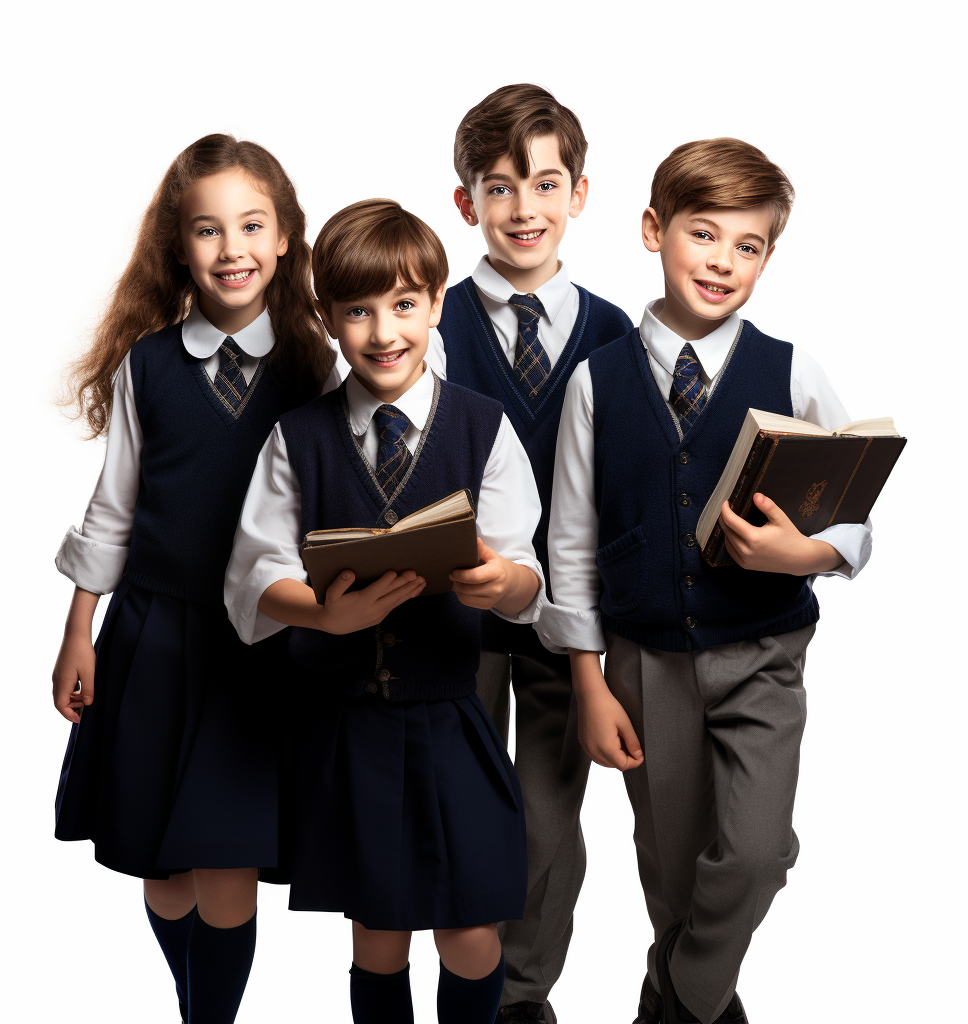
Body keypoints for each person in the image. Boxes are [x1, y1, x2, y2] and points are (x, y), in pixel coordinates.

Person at [542, 138, 873, 1024]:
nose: (723, 261)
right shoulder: (596, 382)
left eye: (749, 246)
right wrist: (588, 681)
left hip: (764, 649)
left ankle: (678, 1000)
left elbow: (854, 514)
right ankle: (697, 1001)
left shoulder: (792, 370)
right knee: (674, 865)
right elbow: (570, 541)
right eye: (703, 233)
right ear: (655, 230)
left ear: (769, 256)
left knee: (757, 853)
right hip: (644, 661)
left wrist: (803, 554)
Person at [224, 199, 545, 1024]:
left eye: (404, 305)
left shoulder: (484, 428)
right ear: (327, 318)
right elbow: (254, 574)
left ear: (438, 304)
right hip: (348, 724)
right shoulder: (297, 437)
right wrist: (325, 616)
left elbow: (525, 578)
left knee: (473, 927)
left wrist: (495, 581)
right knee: (379, 930)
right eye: (358, 310)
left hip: (450, 715)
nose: (383, 331)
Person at [51, 134, 337, 1024]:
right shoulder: (148, 367)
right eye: (208, 231)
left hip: (259, 645)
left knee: (226, 863)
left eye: (253, 225)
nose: (233, 248)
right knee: (165, 874)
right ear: (179, 246)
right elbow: (114, 508)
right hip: (157, 637)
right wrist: (78, 630)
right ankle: (193, 1002)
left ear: (286, 236)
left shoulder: (317, 365)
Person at [435, 83, 634, 1024]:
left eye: (546, 184)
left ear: (580, 195)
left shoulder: (617, 338)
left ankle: (523, 994)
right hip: (453, 616)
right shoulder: (424, 326)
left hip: (569, 628)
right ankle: (466, 978)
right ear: (468, 201)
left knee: (549, 823)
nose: (526, 209)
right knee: (460, 804)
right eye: (501, 187)